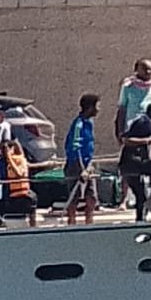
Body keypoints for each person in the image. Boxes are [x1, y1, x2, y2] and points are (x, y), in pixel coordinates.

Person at [63, 93, 100, 225]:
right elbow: (75, 147)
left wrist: (89, 165)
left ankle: (89, 222)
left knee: (92, 196)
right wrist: (81, 169)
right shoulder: (78, 124)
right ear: (90, 107)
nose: (98, 109)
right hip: (75, 165)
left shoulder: (89, 123)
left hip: (88, 164)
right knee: (75, 196)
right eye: (97, 106)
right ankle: (71, 222)